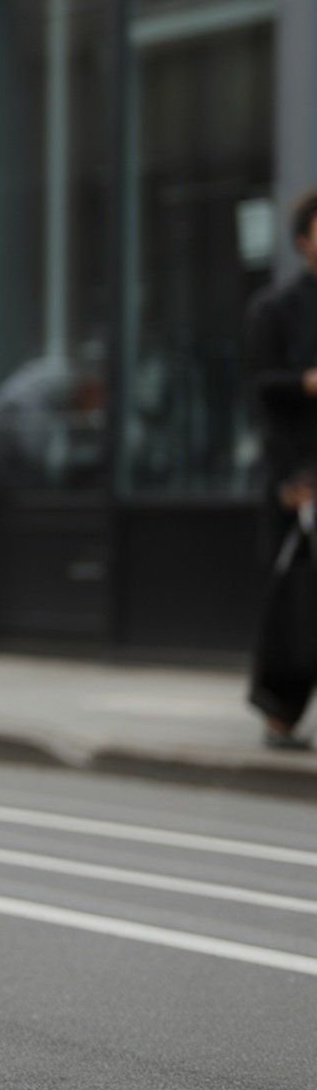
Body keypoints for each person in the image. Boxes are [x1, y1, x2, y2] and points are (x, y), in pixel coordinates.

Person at [246, 187, 317, 747]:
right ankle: (280, 713)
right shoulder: (276, 308)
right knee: (296, 596)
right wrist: (305, 383)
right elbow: (260, 391)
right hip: (298, 475)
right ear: (302, 242)